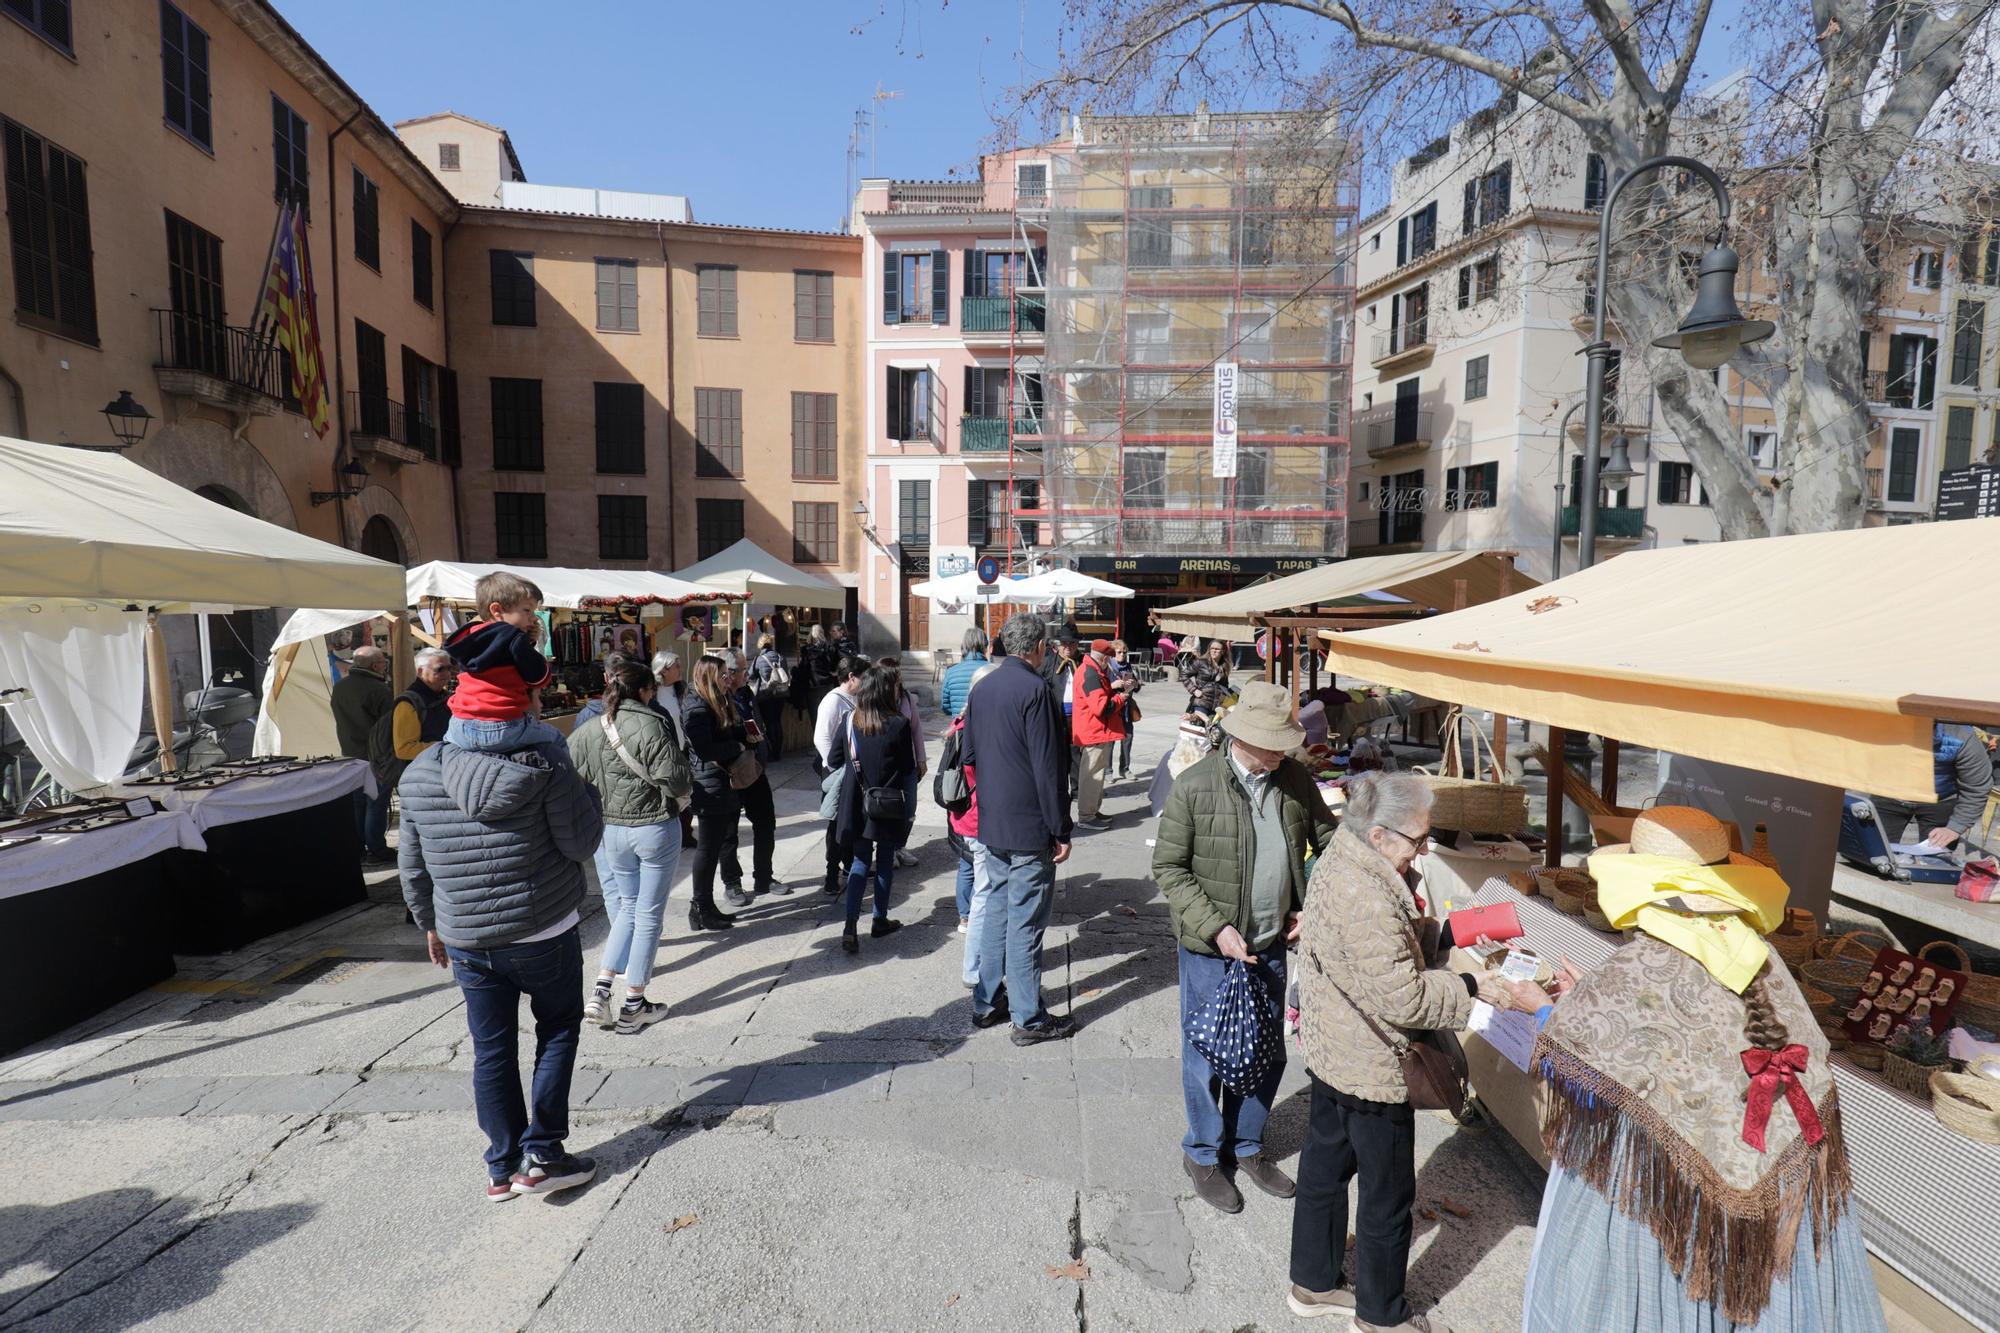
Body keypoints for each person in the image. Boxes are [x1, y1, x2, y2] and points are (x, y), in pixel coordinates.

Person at [1522, 806, 1883, 1331]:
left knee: (1650, 1280)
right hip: (1776, 1190)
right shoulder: (1760, 953)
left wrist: (1543, 1007)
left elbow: (1580, 1065)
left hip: (1664, 1190)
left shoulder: (1641, 964)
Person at [1289, 772, 1545, 1330]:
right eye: (1418, 840)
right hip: (1373, 1065)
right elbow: (1403, 997)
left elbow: (1376, 953)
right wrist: (1476, 989)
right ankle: (1381, 1314)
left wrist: (1446, 934)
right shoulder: (1365, 890)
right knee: (1387, 1196)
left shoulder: (1346, 856)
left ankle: (1311, 1282)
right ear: (1379, 835)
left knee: (1325, 1167)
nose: (1424, 849)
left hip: (1335, 1050)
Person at [398, 695, 605, 1201]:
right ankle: (543, 1156)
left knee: (491, 1049)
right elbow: (580, 844)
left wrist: (429, 923)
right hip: (540, 927)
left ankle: (501, 1165)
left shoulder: (420, 772)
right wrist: (589, 796)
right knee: (557, 1030)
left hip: (466, 934)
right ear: (519, 716)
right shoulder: (548, 763)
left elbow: (413, 864)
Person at [1153, 680, 1338, 1215]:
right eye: (1272, 743)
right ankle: (1204, 1152)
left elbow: (1328, 843)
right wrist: (1215, 927)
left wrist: (1311, 904)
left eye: (1284, 743)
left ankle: (1248, 1145)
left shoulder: (1293, 778)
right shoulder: (1195, 786)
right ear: (1242, 738)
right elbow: (1168, 867)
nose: (1281, 752)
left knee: (1267, 1051)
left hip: (1272, 941)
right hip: (1212, 949)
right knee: (1206, 1054)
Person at [962, 613, 1077, 1045]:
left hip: (993, 820)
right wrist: (1060, 828)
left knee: (995, 911)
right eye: (1045, 645)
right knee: (1025, 918)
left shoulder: (984, 686)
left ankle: (988, 1001)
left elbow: (969, 753)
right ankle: (1028, 1017)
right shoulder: (1036, 690)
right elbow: (1050, 769)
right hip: (1029, 824)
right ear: (1036, 647)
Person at [566, 658, 691, 1035]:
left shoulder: (589, 728)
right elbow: (677, 778)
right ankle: (634, 1001)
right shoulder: (651, 723)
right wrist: (678, 795)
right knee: (648, 914)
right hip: (652, 826)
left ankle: (602, 990)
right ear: (644, 690)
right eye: (652, 689)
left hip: (612, 829)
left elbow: (571, 776)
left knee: (626, 908)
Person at [828, 666, 916, 953]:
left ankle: (850, 925)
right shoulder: (898, 724)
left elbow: (834, 757)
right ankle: (879, 918)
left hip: (856, 802)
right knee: (886, 859)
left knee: (859, 862)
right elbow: (907, 768)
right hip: (887, 802)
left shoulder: (849, 720)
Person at [442, 572, 563, 755]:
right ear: (497, 610)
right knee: (558, 740)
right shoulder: (513, 637)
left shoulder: (471, 636)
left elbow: (500, 655)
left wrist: (525, 642)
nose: (534, 618)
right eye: (527, 610)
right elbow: (539, 678)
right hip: (502, 726)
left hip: (460, 725)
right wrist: (528, 645)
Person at [680, 655, 756, 931]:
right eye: (723, 675)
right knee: (708, 847)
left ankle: (705, 906)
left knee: (715, 846)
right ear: (710, 676)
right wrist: (735, 748)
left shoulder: (718, 700)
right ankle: (700, 906)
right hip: (709, 784)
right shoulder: (697, 706)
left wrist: (743, 735)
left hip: (723, 781)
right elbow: (704, 749)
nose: (728, 679)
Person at [1866, 720, 1993, 851]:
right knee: (1872, 852)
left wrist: (1955, 827)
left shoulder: (1961, 736)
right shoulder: (1883, 727)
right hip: (1889, 794)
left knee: (1936, 858)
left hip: (1941, 799)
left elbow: (1977, 786)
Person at [719, 648, 781, 904]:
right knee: (729, 832)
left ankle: (764, 876)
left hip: (754, 767)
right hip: (729, 771)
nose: (748, 673)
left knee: (766, 822)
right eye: (744, 670)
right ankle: (732, 884)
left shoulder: (746, 692)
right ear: (730, 673)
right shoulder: (718, 698)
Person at [332, 643, 395, 865]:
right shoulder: (378, 689)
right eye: (383, 663)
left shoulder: (341, 686)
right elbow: (390, 726)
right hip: (375, 756)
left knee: (358, 804)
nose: (385, 667)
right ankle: (376, 849)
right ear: (376, 665)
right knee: (376, 803)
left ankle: (359, 848)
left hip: (350, 754)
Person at [814, 654, 870, 895]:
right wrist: (835, 768)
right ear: (851, 677)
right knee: (835, 824)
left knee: (852, 820)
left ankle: (850, 865)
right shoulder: (832, 701)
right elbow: (822, 738)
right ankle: (830, 873)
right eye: (863, 677)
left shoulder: (856, 698)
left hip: (852, 772)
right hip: (838, 772)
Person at [1071, 638, 1134, 829]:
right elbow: (1101, 708)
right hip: (1094, 730)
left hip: (1096, 730)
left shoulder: (1091, 670)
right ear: (1105, 658)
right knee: (1092, 776)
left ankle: (1092, 811)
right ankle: (1087, 816)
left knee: (1095, 775)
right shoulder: (1090, 673)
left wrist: (1113, 688)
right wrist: (1122, 696)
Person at [377, 648, 455, 790]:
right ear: (420, 672)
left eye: (449, 668)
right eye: (440, 669)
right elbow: (404, 749)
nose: (447, 673)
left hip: (444, 773)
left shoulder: (445, 697)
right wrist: (448, 748)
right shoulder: (408, 703)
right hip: (422, 780)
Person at [878, 655, 928, 868]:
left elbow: (915, 729)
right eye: (896, 674)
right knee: (887, 807)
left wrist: (921, 758)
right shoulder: (876, 698)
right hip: (886, 763)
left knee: (909, 807)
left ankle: (900, 846)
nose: (900, 677)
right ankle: (886, 849)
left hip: (907, 762)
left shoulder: (906, 697)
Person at [750, 632, 789, 761]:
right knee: (777, 722)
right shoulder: (780, 657)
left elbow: (751, 675)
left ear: (760, 644)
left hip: (765, 695)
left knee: (768, 723)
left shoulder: (759, 659)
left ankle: (772, 752)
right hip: (780, 694)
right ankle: (778, 752)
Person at [939, 627, 990, 718]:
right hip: (985, 727)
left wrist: (957, 712)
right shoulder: (992, 670)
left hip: (960, 728)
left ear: (964, 645)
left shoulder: (951, 672)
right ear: (985, 645)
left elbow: (945, 706)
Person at [1108, 640, 1140, 779]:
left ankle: (1125, 769)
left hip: (1126, 709)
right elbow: (1100, 688)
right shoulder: (1107, 667)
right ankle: (1108, 771)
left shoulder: (1128, 667)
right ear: (1113, 654)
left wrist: (1135, 683)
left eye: (1124, 652)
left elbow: (1137, 687)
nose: (1122, 655)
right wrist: (1113, 685)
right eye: (1119, 652)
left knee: (1128, 738)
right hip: (1113, 708)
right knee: (1110, 740)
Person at [1181, 638, 1231, 722]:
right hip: (1202, 700)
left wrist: (1228, 696)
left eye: (1217, 649)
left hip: (1216, 704)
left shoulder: (1224, 666)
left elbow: (1225, 685)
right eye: (1212, 648)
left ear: (1222, 651)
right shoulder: (1200, 662)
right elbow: (1184, 674)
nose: (1214, 651)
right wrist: (1194, 690)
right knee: (1204, 721)